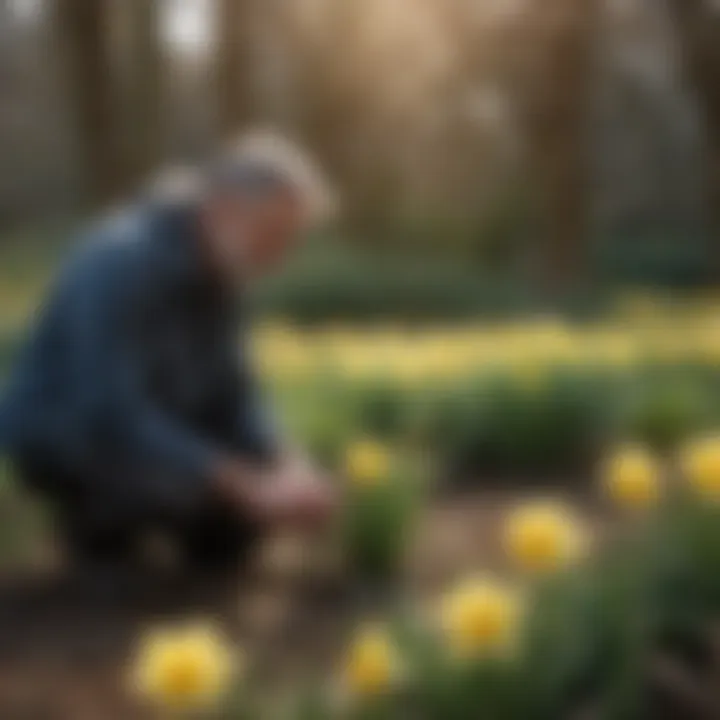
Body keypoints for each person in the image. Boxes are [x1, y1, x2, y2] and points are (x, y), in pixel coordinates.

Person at [0, 132, 338, 572]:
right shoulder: (119, 259)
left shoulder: (225, 273)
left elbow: (234, 396)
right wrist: (236, 482)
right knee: (201, 493)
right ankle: (94, 529)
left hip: (157, 431)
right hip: (70, 436)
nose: (280, 257)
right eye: (273, 234)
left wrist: (287, 461)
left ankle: (160, 522)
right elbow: (109, 410)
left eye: (291, 240)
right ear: (222, 208)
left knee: (243, 510)